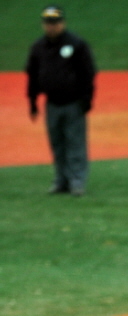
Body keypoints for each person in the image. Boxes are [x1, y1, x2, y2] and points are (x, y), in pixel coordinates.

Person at [25, 5, 97, 196]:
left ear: (62, 23)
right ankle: (61, 181)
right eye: (48, 23)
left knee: (75, 143)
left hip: (73, 103)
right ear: (43, 25)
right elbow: (32, 75)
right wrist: (32, 101)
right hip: (52, 103)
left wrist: (87, 99)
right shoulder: (38, 47)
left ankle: (77, 182)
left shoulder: (76, 44)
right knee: (57, 144)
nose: (52, 27)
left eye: (55, 23)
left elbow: (87, 73)